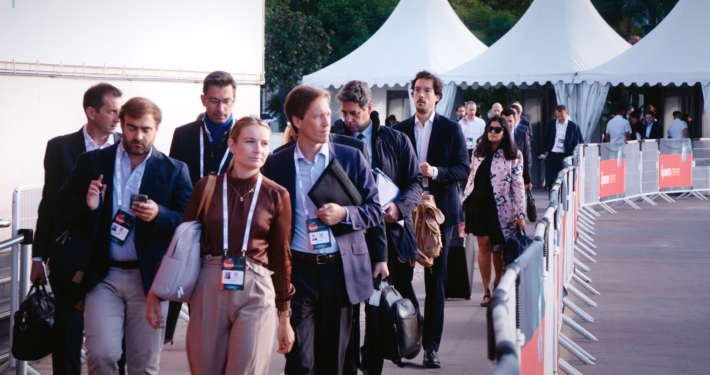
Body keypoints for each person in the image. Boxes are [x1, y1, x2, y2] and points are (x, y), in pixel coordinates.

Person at [146, 116, 296, 374]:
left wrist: (285, 317)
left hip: (256, 287)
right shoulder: (206, 187)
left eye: (263, 143)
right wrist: (155, 292)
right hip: (209, 284)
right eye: (250, 142)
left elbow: (282, 258)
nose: (258, 150)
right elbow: (180, 243)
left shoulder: (277, 194)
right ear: (232, 144)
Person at [54, 97, 192, 374]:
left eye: (145, 129)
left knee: (143, 365)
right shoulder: (93, 162)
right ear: (121, 125)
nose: (138, 136)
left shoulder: (174, 170)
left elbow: (188, 222)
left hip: (149, 280)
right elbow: (60, 207)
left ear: (157, 129)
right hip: (103, 276)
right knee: (102, 355)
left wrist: (159, 214)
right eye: (131, 128)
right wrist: (87, 205)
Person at [262, 85, 387, 375]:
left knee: (335, 360)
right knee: (300, 361)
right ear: (297, 121)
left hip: (340, 270)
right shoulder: (276, 164)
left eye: (328, 115)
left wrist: (345, 213)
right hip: (299, 272)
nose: (327, 122)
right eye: (318, 116)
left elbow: (374, 210)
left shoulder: (351, 156)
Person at [31, 83, 123, 375]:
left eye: (120, 111)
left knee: (112, 339)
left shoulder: (126, 146)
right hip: (69, 256)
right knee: (68, 332)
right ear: (91, 112)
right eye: (112, 111)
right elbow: (49, 204)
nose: (118, 118)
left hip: (112, 256)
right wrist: (38, 257)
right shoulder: (60, 147)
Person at [337, 80, 423, 374]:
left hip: (392, 234)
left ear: (369, 109)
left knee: (379, 312)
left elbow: (415, 182)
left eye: (354, 113)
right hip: (350, 237)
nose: (348, 120)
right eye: (344, 113)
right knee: (348, 314)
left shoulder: (395, 139)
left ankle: (372, 366)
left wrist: (399, 207)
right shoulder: (335, 138)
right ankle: (350, 366)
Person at [393, 71, 470, 369]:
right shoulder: (398, 130)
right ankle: (418, 319)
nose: (421, 95)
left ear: (438, 95)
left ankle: (431, 348)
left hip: (439, 214)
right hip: (406, 211)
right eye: (416, 90)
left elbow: (463, 169)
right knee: (400, 276)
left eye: (427, 90)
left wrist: (436, 172)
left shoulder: (451, 129)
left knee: (436, 281)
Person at [462, 116, 525, 306]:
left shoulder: (514, 155)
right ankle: (486, 291)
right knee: (484, 244)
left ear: (505, 132)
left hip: (502, 207)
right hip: (478, 203)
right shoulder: (478, 151)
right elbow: (472, 175)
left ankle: (498, 284)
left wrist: (520, 213)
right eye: (490, 128)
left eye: (497, 129)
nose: (493, 132)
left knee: (499, 248)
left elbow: (518, 184)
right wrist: (465, 200)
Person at [170, 71, 237, 187]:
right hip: (189, 204)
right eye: (214, 101)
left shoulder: (246, 136)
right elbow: (171, 181)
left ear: (233, 100)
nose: (220, 109)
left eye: (226, 101)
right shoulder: (182, 135)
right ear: (203, 100)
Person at [543, 105, 583, 190]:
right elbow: (545, 138)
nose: (560, 118)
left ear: (566, 113)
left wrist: (575, 156)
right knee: (551, 180)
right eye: (558, 116)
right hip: (552, 155)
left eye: (562, 116)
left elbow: (580, 142)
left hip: (566, 156)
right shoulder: (551, 124)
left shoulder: (573, 126)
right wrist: (545, 151)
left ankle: (564, 200)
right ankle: (553, 200)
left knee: (566, 180)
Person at [502, 108, 532, 190]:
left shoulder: (522, 135)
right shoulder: (496, 135)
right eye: (505, 121)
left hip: (518, 175)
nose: (507, 124)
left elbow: (527, 157)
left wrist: (527, 179)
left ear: (515, 120)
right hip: (500, 177)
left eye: (510, 121)